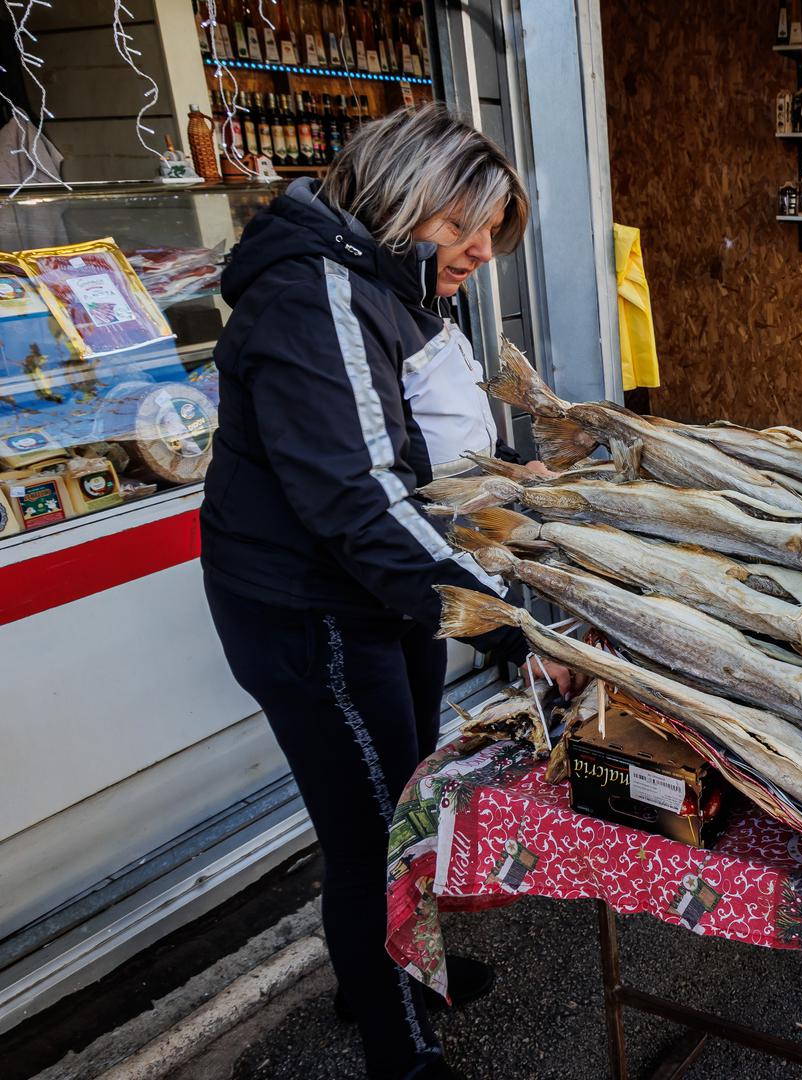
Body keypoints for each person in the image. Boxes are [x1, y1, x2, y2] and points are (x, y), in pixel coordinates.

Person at [201, 104, 553, 1080]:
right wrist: (501, 624)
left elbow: (414, 434)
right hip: (309, 610)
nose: (479, 251)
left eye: (490, 231)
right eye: (463, 225)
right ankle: (401, 1050)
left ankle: (388, 976)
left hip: (378, 594)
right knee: (372, 833)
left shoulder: (384, 282)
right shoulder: (315, 294)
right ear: (401, 199)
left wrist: (507, 486)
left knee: (403, 798)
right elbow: (356, 497)